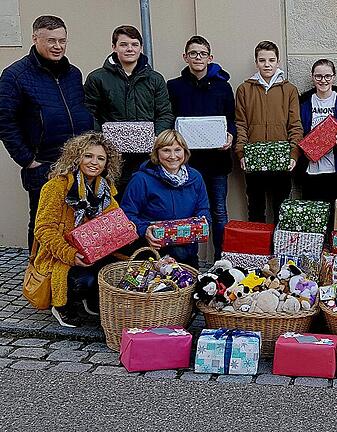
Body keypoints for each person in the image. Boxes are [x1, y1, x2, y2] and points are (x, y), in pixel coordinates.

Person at [0, 15, 93, 248]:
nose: (58, 46)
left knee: (75, 223)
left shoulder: (73, 73)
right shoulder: (15, 76)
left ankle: (70, 279)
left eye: (62, 40)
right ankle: (39, 277)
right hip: (44, 165)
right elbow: (4, 120)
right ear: (35, 39)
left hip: (77, 164)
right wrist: (27, 159)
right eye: (51, 40)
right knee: (43, 225)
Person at [34, 133, 123, 328]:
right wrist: (70, 254)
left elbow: (114, 220)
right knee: (84, 280)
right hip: (61, 254)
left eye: (101, 158)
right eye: (88, 156)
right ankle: (62, 305)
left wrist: (126, 228)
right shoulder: (56, 187)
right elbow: (43, 229)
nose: (94, 162)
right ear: (76, 157)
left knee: (115, 268)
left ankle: (90, 298)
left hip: (93, 251)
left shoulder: (105, 188)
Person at [167, 35, 236, 261]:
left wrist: (230, 135)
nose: (198, 57)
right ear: (185, 57)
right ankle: (190, 262)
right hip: (185, 164)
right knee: (187, 215)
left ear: (210, 58)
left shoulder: (223, 88)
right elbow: (169, 121)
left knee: (219, 212)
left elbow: (233, 120)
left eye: (203, 54)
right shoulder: (174, 87)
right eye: (193, 53)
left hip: (217, 162)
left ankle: (221, 261)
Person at [84, 25, 174, 193]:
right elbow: (89, 113)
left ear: (141, 47)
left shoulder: (155, 79)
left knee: (146, 200)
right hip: (112, 157)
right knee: (113, 203)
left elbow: (165, 113)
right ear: (114, 47)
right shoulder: (97, 78)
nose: (129, 49)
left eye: (134, 44)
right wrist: (103, 141)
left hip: (147, 157)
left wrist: (156, 137)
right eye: (124, 44)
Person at [121, 130, 211, 268]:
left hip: (188, 252)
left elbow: (203, 208)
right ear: (157, 153)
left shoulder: (196, 177)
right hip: (154, 252)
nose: (173, 156)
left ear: (185, 152)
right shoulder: (140, 179)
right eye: (166, 150)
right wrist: (144, 230)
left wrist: (203, 224)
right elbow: (126, 214)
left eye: (177, 150)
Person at [234, 40, 302, 223]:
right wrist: (241, 153)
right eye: (262, 60)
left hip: (282, 160)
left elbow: (295, 125)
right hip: (254, 159)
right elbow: (240, 124)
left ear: (277, 62)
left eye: (271, 60)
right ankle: (258, 250)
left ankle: (278, 250)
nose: (267, 64)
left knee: (282, 209)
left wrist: (293, 153)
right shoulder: (244, 89)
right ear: (256, 62)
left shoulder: (289, 90)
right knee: (255, 209)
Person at [298, 59, 337, 202]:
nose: (323, 80)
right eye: (318, 76)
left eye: (327, 76)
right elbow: (296, 129)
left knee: (336, 216)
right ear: (312, 77)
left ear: (334, 77)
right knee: (313, 218)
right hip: (310, 170)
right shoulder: (303, 102)